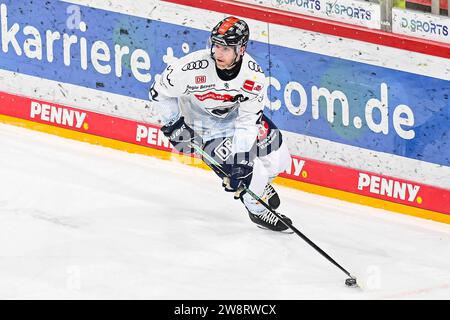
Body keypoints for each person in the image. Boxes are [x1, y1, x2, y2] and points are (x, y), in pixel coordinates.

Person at [149, 16, 293, 232]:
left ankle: (255, 186)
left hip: (234, 120)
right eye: (215, 45)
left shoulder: (253, 77)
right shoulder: (190, 69)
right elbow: (158, 93)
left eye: (226, 48)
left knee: (280, 162)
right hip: (202, 127)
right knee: (256, 174)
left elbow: (247, 120)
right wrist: (174, 124)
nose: (218, 53)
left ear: (241, 49)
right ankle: (257, 210)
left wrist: (241, 161)